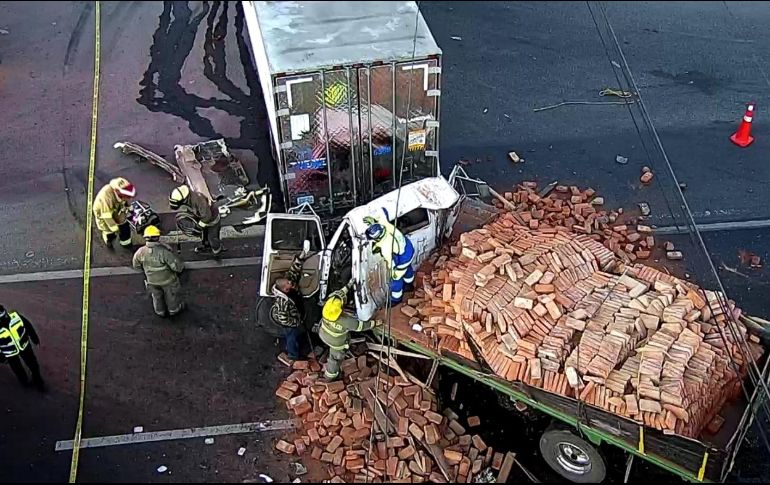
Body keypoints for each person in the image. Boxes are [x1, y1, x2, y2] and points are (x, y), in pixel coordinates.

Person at [318, 283, 382, 381]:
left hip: (323, 334)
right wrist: (375, 323)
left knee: (332, 347)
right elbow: (360, 326)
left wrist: (349, 285)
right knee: (335, 358)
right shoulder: (344, 321)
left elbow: (338, 295)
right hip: (336, 343)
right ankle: (330, 377)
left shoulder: (328, 308)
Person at [363, 208, 415, 304]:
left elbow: (392, 262)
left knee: (395, 278)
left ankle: (396, 299)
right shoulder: (385, 225)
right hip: (408, 247)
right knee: (407, 268)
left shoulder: (386, 247)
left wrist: (394, 272)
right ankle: (409, 284)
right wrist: (373, 221)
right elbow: (383, 211)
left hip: (403, 258)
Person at [132, 225, 186, 317]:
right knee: (171, 296)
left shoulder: (140, 252)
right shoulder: (164, 252)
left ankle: (160, 311)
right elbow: (177, 267)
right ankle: (174, 310)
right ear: (157, 237)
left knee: (156, 297)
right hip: (168, 281)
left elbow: (136, 266)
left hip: (151, 281)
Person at [270, 244, 311, 361]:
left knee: (295, 335)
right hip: (290, 324)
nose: (291, 283)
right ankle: (293, 355)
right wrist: (296, 322)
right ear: (284, 289)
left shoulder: (287, 283)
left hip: (294, 314)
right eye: (289, 283)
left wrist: (301, 257)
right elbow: (284, 319)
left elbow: (293, 270)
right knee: (291, 337)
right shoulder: (282, 302)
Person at [169, 184, 223, 255]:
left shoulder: (198, 200)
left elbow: (207, 216)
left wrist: (198, 226)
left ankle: (217, 251)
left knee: (212, 238)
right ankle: (206, 246)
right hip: (202, 217)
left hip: (212, 220)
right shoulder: (188, 198)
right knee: (204, 235)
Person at [0, 305, 45, 391]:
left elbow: (28, 326)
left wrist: (34, 338)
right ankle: (25, 382)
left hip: (24, 346)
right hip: (10, 353)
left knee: (32, 365)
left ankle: (37, 381)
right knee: (18, 369)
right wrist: (1, 358)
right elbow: (29, 326)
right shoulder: (16, 317)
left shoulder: (16, 317)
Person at [93, 177, 136, 248]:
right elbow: (106, 216)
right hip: (103, 211)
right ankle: (109, 239)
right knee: (108, 229)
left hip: (115, 207)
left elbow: (125, 200)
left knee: (123, 224)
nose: (130, 198)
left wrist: (129, 207)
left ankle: (126, 243)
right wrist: (115, 228)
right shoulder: (106, 197)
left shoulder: (122, 190)